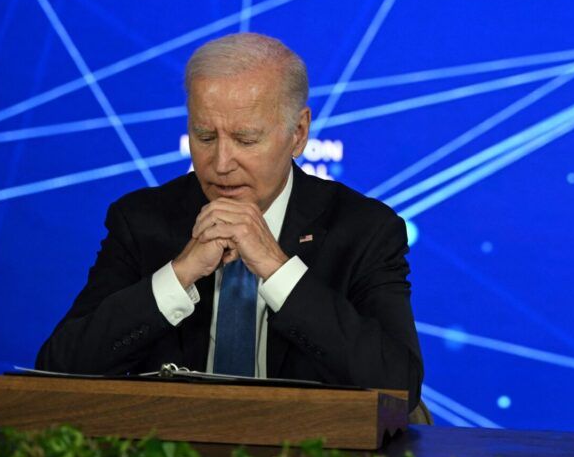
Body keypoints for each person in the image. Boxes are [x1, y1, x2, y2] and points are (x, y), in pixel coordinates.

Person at [37, 33, 423, 409]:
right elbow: (59, 370)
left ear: (299, 133)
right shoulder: (141, 220)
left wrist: (277, 269)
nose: (221, 164)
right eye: (204, 137)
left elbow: (398, 387)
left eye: (246, 140)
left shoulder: (364, 230)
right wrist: (179, 274)